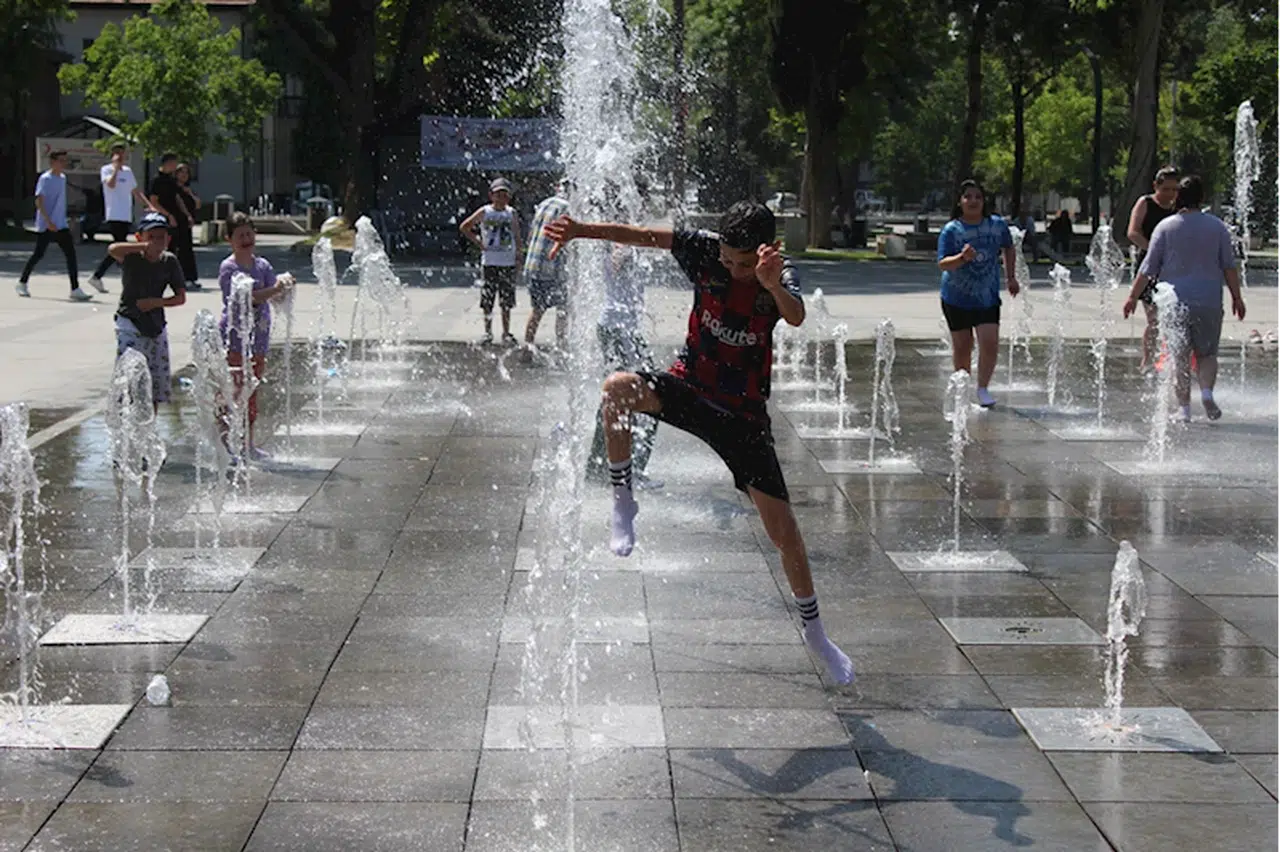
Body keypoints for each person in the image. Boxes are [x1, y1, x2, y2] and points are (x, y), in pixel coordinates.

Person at [544, 201, 856, 686]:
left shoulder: (778, 275)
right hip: (690, 388)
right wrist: (583, 229)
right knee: (616, 390)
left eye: (742, 264)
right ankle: (624, 500)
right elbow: (643, 235)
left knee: (785, 535)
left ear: (766, 252)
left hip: (743, 416)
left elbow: (794, 317)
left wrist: (770, 283)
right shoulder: (704, 251)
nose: (732, 269)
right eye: (728, 261)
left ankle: (816, 634)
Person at [1123, 175, 1244, 422]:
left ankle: (1185, 410)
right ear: (1202, 198)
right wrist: (1237, 297)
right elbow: (1229, 267)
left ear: (1179, 196)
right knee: (1207, 354)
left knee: (1179, 357)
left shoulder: (1166, 227)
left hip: (1175, 303)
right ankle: (1207, 393)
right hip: (1209, 301)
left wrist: (1132, 297)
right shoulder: (1217, 227)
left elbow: (1148, 268)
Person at [936, 179, 1019, 408]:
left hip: (987, 296)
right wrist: (962, 258)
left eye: (978, 197)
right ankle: (963, 389)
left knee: (989, 342)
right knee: (963, 347)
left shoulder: (996, 225)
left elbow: (1008, 247)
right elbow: (943, 263)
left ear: (984, 201)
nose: (973, 201)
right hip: (956, 297)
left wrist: (1010, 276)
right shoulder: (952, 230)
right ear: (960, 202)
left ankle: (983, 388)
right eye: (968, 197)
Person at [217, 212, 294, 460]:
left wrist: (286, 286)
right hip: (234, 340)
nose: (247, 239)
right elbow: (249, 298)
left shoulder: (263, 266)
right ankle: (227, 443)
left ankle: (248, 445)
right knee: (233, 391)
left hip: (258, 340)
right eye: (240, 235)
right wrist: (275, 288)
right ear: (229, 239)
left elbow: (275, 295)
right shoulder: (229, 268)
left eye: (249, 233)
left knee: (251, 393)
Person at [586, 243, 660, 487]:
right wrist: (624, 249)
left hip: (623, 328)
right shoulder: (618, 248)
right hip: (616, 329)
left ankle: (601, 463)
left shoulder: (628, 246)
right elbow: (616, 262)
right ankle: (626, 467)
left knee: (624, 394)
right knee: (640, 392)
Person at [110, 212, 187, 410]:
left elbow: (180, 298)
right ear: (139, 237)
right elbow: (112, 249)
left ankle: (149, 427)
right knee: (130, 380)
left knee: (155, 383)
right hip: (130, 323)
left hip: (156, 326)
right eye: (151, 237)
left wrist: (156, 302)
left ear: (168, 240)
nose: (156, 242)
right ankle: (126, 425)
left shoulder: (169, 261)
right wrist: (143, 247)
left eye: (161, 237)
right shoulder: (132, 257)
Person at [16, 150, 93, 301]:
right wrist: (48, 221)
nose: (64, 163)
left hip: (60, 224)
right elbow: (39, 201)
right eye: (61, 160)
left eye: (65, 160)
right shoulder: (45, 178)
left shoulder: (63, 178)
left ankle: (75, 288)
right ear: (52, 162)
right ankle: (22, 283)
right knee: (39, 254)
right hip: (47, 225)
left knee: (71, 255)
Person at [1126, 166, 1180, 370]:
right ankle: (1147, 360)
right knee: (1154, 318)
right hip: (1148, 265)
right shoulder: (1145, 203)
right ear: (1155, 186)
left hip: (1174, 266)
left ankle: (1172, 359)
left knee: (1175, 319)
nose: (1170, 194)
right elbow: (1132, 232)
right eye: (1166, 189)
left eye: (1174, 190)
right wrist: (1153, 250)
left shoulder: (1179, 207)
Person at [460, 177, 523, 345]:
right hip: (490, 261)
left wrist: (519, 256)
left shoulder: (511, 213)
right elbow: (465, 226)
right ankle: (487, 332)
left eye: (505, 195)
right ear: (491, 195)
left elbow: (516, 236)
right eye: (498, 194)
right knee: (488, 299)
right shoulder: (485, 211)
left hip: (507, 261)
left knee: (506, 300)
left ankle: (506, 332)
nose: (501, 198)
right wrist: (479, 242)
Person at [89, 143, 153, 294]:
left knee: (119, 248)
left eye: (123, 154)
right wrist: (116, 170)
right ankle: (110, 276)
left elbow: (135, 191)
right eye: (118, 153)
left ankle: (98, 276)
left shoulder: (128, 172)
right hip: (114, 213)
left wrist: (149, 205)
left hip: (125, 214)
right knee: (121, 247)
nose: (121, 157)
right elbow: (110, 185)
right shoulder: (106, 170)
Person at [522, 184, 571, 353]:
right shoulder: (568, 208)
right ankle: (562, 349)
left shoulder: (545, 203)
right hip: (552, 266)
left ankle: (527, 349)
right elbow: (566, 239)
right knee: (563, 309)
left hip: (534, 264)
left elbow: (531, 233)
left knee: (537, 309)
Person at [173, 163, 203, 291]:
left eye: (186, 172)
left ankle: (190, 277)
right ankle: (180, 278)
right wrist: (187, 216)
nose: (184, 175)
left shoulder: (188, 189)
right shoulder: (174, 189)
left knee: (188, 250)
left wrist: (190, 194)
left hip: (187, 224)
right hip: (179, 221)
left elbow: (197, 205)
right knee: (180, 250)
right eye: (181, 172)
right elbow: (179, 204)